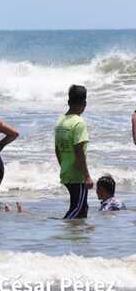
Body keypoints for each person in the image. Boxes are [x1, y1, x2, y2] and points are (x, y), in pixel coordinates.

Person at [55, 85, 93, 219]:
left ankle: (75, 232)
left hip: (66, 171)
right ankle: (61, 226)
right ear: (84, 103)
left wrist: (64, 167)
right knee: (78, 208)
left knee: (82, 208)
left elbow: (57, 150)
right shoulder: (79, 123)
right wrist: (87, 176)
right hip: (77, 174)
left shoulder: (60, 122)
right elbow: (79, 151)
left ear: (68, 101)